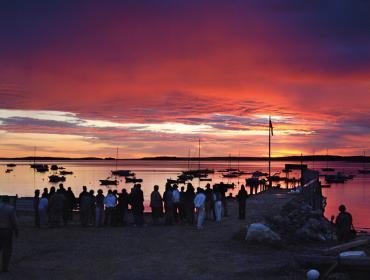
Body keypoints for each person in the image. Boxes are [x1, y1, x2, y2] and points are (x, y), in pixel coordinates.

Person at [0, 196, 18, 273]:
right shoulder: (11, 209)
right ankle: (4, 267)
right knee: (7, 250)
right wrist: (16, 230)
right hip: (6, 230)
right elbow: (14, 221)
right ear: (8, 201)